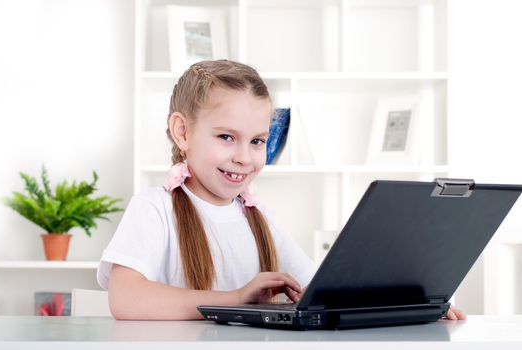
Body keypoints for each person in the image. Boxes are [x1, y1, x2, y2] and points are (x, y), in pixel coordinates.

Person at [97, 59, 466, 321]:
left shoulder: (257, 216)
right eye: (226, 137)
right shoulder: (154, 208)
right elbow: (125, 297)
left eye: (257, 141)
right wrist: (234, 300)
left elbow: (321, 287)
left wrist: (407, 304)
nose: (244, 157)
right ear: (182, 132)